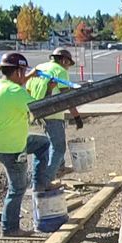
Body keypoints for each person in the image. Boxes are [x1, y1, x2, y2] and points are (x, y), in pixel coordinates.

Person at [0, 51, 50, 237]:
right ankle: (9, 227)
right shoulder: (16, 92)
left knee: (42, 144)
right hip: (11, 147)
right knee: (18, 187)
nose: (24, 75)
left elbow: (18, 90)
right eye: (23, 72)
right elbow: (40, 108)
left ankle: (39, 183)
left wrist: (30, 76)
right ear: (17, 72)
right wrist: (48, 88)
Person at [27, 46, 86, 186]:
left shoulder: (39, 67)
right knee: (58, 147)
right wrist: (77, 117)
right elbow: (67, 98)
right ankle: (46, 181)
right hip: (52, 113)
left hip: (37, 110)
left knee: (50, 144)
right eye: (68, 64)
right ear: (64, 60)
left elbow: (28, 89)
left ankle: (59, 168)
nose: (68, 68)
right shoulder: (60, 71)